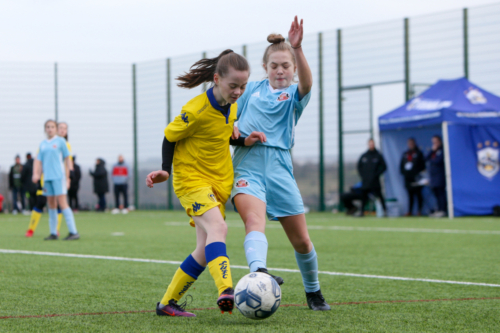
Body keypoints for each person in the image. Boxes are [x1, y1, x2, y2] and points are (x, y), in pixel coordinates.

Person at [146, 49, 265, 317]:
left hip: (218, 183)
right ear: (216, 79)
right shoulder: (196, 110)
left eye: (243, 86)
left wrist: (243, 139)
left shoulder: (232, 104)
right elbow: (169, 136)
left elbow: (222, 133)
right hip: (191, 181)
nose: (238, 91)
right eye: (233, 85)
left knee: (204, 249)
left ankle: (167, 303)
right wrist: (166, 170)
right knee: (218, 227)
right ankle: (226, 289)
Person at [230, 17, 330, 311]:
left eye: (286, 65)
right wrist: (235, 131)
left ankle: (313, 293)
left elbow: (309, 84)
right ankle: (259, 273)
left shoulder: (294, 95)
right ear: (266, 68)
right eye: (274, 65)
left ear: (293, 69)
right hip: (248, 165)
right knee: (254, 221)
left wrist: (297, 48)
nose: (280, 70)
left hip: (280, 168)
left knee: (301, 241)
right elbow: (228, 114)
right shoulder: (250, 90)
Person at [32, 120, 79, 240]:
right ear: (45, 129)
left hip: (59, 177)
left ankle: (73, 232)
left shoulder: (60, 141)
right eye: (47, 127)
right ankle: (53, 233)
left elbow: (67, 157)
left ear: (55, 129)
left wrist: (71, 171)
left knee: (62, 203)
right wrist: (36, 174)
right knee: (51, 204)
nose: (50, 129)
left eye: (52, 127)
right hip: (47, 178)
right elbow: (38, 161)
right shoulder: (42, 144)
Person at [356, 138, 387, 217]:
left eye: (372, 144)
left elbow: (384, 166)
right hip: (366, 181)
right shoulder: (364, 156)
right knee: (363, 196)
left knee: (379, 196)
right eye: (370, 144)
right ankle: (361, 212)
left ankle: (385, 211)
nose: (371, 145)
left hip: (375, 181)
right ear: (368, 144)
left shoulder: (378, 155)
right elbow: (359, 167)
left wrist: (376, 174)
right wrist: (363, 176)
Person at [400, 137, 426, 216]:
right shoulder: (405, 154)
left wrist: (416, 173)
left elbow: (422, 166)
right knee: (410, 196)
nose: (410, 145)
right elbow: (401, 166)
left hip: (417, 178)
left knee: (418, 195)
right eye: (409, 143)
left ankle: (419, 211)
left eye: (412, 143)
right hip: (408, 178)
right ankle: (409, 211)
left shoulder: (419, 153)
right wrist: (406, 173)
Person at [426, 135, 447, 217]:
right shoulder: (433, 151)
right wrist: (432, 151)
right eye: (433, 142)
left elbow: (438, 161)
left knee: (441, 194)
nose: (434, 144)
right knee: (436, 194)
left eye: (436, 142)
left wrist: (432, 159)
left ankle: (443, 210)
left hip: (440, 176)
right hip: (433, 177)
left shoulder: (443, 150)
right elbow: (426, 158)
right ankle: (438, 209)